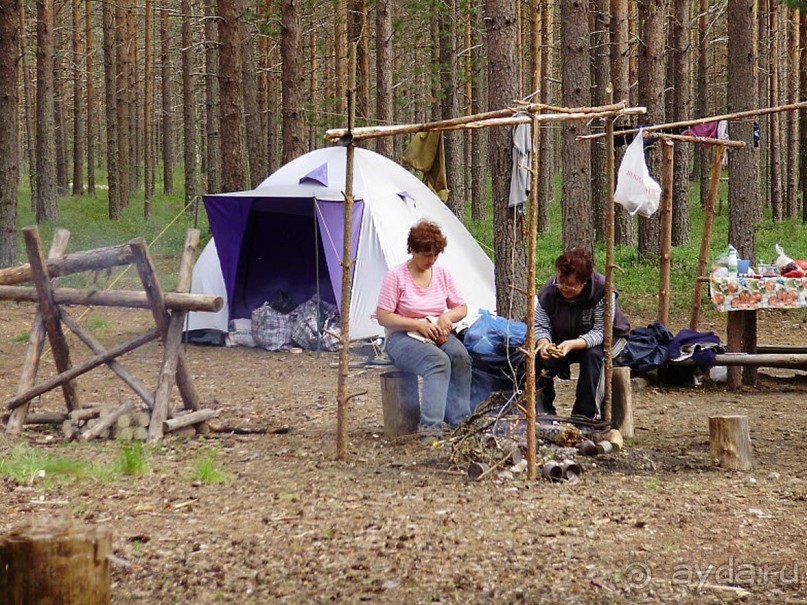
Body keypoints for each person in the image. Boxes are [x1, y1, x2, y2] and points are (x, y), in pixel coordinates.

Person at [376, 220, 471, 431]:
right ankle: (431, 428)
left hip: (435, 332)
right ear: (412, 249)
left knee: (460, 356)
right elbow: (383, 316)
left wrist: (447, 317)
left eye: (435, 256)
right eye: (427, 255)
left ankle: (458, 419)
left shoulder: (442, 274)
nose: (431, 260)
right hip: (402, 338)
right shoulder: (396, 276)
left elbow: (461, 307)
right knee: (437, 362)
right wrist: (417, 324)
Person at [534, 247, 631, 419]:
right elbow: (540, 325)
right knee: (538, 359)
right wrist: (543, 343)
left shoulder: (602, 290)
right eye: (560, 282)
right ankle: (543, 415)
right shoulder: (548, 292)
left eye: (570, 286)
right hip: (566, 339)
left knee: (594, 356)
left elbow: (602, 332)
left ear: (583, 282)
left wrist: (573, 344)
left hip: (609, 338)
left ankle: (585, 418)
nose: (563, 288)